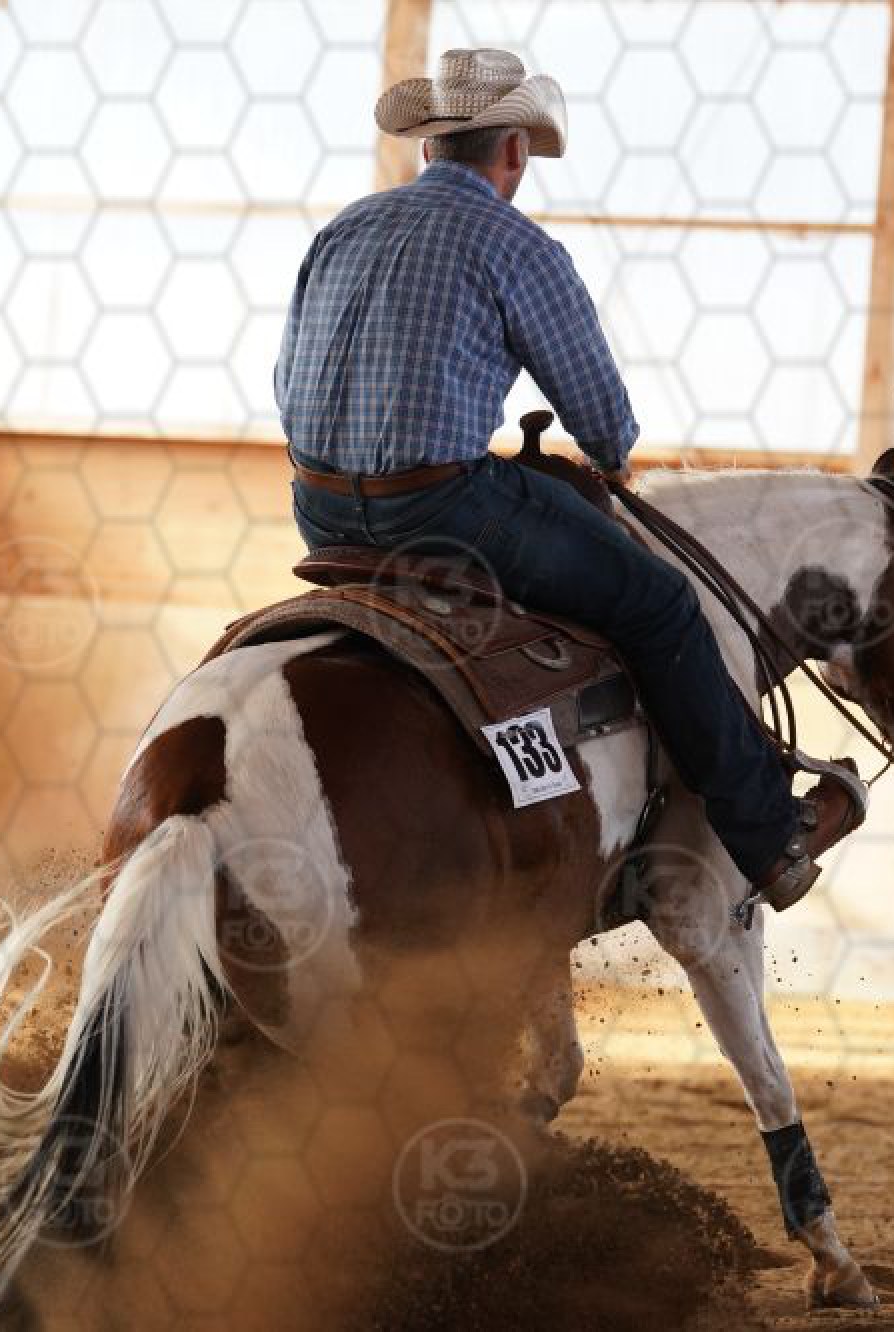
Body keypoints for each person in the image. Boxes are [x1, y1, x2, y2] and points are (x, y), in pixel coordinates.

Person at [273, 48, 860, 910]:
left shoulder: (343, 230)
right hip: (442, 512)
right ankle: (772, 839)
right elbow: (602, 416)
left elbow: (287, 383)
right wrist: (609, 456)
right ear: (514, 151)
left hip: (319, 511)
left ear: (430, 144)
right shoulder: (517, 247)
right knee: (659, 603)